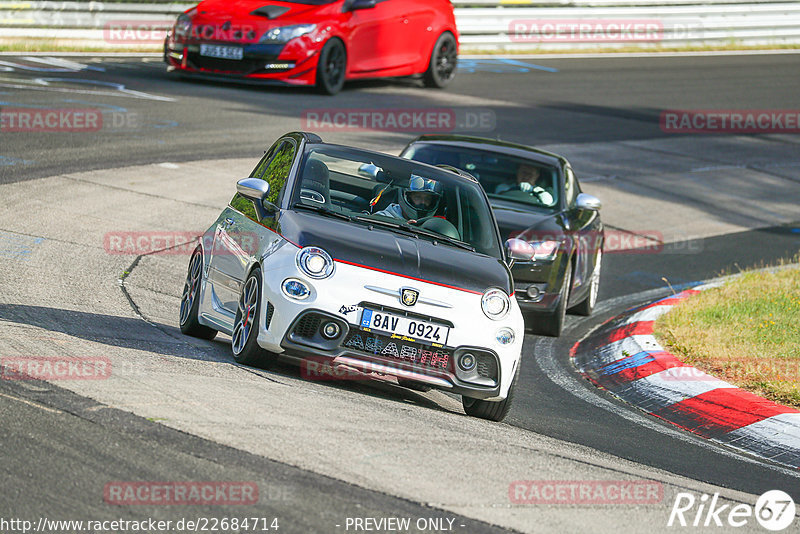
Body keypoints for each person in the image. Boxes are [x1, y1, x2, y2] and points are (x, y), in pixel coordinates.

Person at [375, 175, 442, 223]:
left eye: (428, 198)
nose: (423, 202)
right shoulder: (383, 218)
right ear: (407, 197)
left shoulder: (434, 225)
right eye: (418, 197)